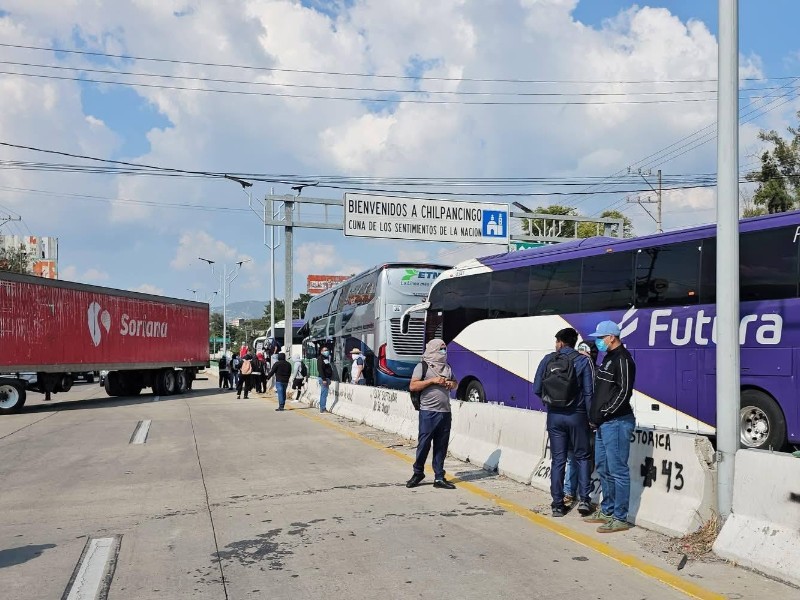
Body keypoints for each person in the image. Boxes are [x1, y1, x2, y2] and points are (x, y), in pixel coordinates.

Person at [533, 328, 595, 517]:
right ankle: (584, 500)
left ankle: (558, 505)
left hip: (554, 416)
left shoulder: (548, 360)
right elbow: (589, 392)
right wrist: (591, 418)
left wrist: (550, 404)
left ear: (560, 342)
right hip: (577, 415)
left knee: (558, 460)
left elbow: (537, 387)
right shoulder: (584, 361)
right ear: (575, 342)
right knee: (583, 457)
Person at [584, 320, 637, 534]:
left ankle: (620, 517)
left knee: (618, 471)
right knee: (604, 468)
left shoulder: (623, 360)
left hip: (616, 422)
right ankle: (607, 510)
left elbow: (624, 392)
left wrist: (605, 412)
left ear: (611, 337)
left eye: (601, 337)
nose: (598, 341)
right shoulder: (608, 359)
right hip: (603, 424)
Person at [406, 339, 459, 490]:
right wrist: (432, 381)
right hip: (428, 411)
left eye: (445, 349)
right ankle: (418, 472)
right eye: (440, 349)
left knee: (441, 446)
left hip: (445, 412)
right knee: (424, 444)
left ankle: (439, 477)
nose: (444, 352)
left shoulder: (447, 367)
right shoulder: (422, 366)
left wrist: (451, 384)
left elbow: (456, 383)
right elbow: (413, 385)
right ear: (433, 350)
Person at [564, 340, 599, 504]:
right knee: (585, 459)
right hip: (585, 422)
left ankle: (568, 493)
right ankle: (585, 498)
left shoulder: (567, 368)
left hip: (566, 420)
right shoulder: (594, 370)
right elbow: (591, 397)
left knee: (571, 458)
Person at [317, 346, 333, 413]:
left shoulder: (325, 358)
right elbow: (320, 369)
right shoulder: (320, 359)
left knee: (323, 394)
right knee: (324, 394)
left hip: (326, 378)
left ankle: (322, 407)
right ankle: (322, 408)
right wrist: (324, 379)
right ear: (321, 352)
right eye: (325, 350)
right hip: (324, 378)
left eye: (327, 350)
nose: (327, 351)